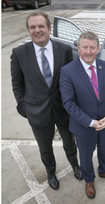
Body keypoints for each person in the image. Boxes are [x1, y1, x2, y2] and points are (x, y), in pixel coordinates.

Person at [10, 11, 82, 190]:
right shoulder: (19, 53)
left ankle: (75, 165)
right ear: (28, 31)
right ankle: (51, 172)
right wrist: (24, 107)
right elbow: (17, 84)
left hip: (63, 108)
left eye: (41, 26)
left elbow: (70, 80)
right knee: (45, 147)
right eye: (32, 27)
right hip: (36, 110)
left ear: (49, 29)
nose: (37, 30)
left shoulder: (64, 50)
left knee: (69, 142)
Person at [60, 31, 105, 199]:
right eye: (84, 47)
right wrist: (91, 122)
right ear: (78, 47)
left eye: (92, 47)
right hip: (83, 125)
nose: (88, 51)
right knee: (85, 155)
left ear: (98, 49)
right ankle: (89, 180)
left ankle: (104, 171)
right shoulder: (67, 71)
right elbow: (68, 103)